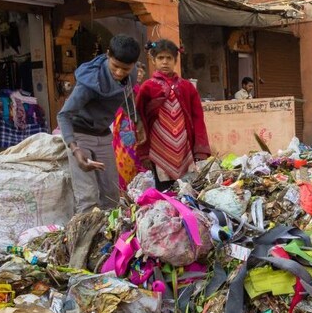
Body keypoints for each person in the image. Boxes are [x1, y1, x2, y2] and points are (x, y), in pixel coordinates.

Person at [58, 34, 142, 212]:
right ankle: (86, 237)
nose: (119, 73)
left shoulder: (131, 75)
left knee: (111, 195)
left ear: (134, 65)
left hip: (103, 135)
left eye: (125, 69)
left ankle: (111, 237)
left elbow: (125, 96)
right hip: (80, 135)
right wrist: (75, 149)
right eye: (115, 66)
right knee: (87, 197)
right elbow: (63, 115)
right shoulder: (88, 83)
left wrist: (137, 121)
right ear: (108, 55)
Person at [134, 39, 211, 191]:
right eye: (160, 58)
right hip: (158, 149)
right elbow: (140, 121)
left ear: (175, 60)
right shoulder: (147, 87)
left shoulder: (186, 87)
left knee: (187, 190)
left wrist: (200, 148)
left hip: (185, 148)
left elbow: (197, 118)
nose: (165, 62)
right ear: (153, 60)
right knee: (165, 192)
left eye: (169, 58)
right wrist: (144, 152)